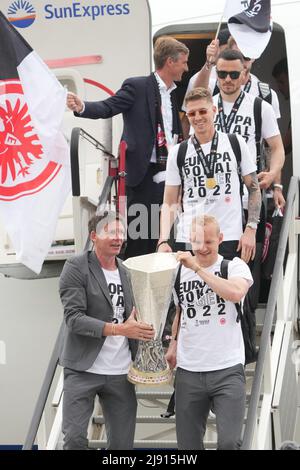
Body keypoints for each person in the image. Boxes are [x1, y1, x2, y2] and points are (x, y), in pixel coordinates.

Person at [67, 36, 189, 259]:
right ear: (170, 62)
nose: (186, 68)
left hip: (171, 174)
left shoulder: (172, 95)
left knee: (169, 235)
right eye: (183, 62)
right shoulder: (138, 86)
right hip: (144, 176)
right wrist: (82, 106)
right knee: (142, 237)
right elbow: (108, 106)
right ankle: (136, 286)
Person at [59, 211, 155, 450]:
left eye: (121, 233)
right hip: (83, 369)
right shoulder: (75, 267)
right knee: (74, 440)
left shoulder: (128, 271)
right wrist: (121, 329)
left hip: (121, 372)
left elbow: (136, 316)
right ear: (94, 235)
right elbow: (74, 319)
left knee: (122, 446)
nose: (118, 238)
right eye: (111, 232)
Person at [166, 214, 253, 450]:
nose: (202, 248)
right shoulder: (177, 273)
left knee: (229, 442)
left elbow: (235, 293)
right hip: (189, 370)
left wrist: (197, 269)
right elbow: (180, 311)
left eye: (208, 242)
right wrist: (173, 343)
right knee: (188, 446)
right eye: (196, 242)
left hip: (227, 368)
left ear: (220, 239)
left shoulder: (233, 266)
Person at [158, 87, 261, 263]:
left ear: (214, 110)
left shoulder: (235, 142)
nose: (197, 117)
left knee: (228, 289)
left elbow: (253, 188)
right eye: (191, 114)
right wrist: (163, 240)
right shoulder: (178, 152)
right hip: (189, 239)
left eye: (202, 111)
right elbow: (169, 201)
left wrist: (251, 229)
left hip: (228, 236)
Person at [181, 28, 230, 138]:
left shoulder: (252, 80)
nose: (230, 56)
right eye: (225, 51)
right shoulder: (200, 78)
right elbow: (187, 117)